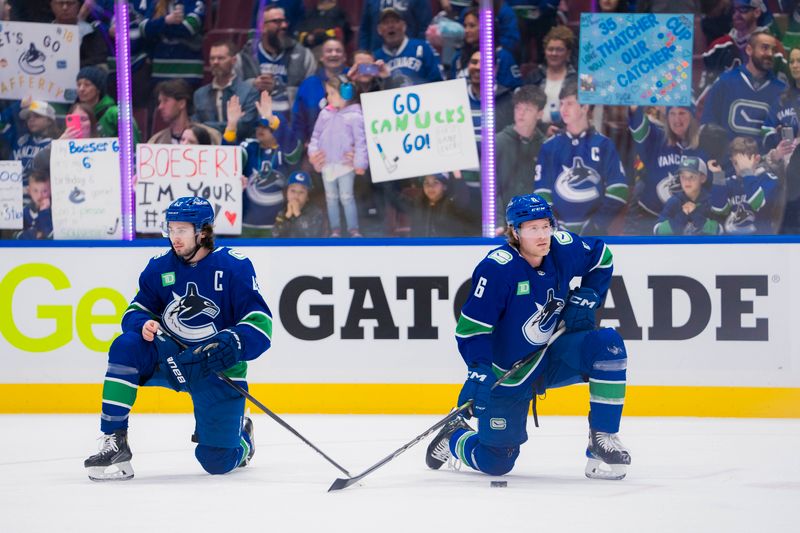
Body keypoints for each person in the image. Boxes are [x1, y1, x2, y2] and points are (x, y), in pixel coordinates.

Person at [425, 193, 631, 480]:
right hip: (508, 373)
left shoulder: (563, 248)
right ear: (515, 231)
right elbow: (472, 329)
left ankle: (602, 439)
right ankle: (454, 437)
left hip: (550, 354)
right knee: (496, 463)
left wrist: (591, 294)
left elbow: (602, 256)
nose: (543, 235)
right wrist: (479, 369)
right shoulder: (497, 269)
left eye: (546, 225)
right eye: (532, 228)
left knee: (607, 346)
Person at [83, 196, 273, 481]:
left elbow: (261, 324)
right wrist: (142, 323)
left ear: (203, 232)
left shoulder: (235, 267)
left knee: (217, 462)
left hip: (217, 370)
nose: (174, 237)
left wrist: (233, 341)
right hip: (172, 358)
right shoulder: (160, 267)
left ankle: (242, 438)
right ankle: (115, 440)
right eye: (171, 229)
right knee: (126, 345)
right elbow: (134, 311)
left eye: (182, 230)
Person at [534, 81, 629, 235]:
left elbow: (619, 190)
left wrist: (597, 224)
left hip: (596, 235)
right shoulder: (549, 147)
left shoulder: (604, 145)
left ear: (584, 108)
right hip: (557, 236)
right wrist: (554, 225)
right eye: (562, 103)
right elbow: (541, 192)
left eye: (570, 103)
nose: (563, 109)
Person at [626, 104, 706, 235]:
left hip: (688, 221)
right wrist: (635, 106)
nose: (676, 119)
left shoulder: (705, 145)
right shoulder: (656, 138)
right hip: (647, 217)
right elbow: (637, 122)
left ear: (692, 116)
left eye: (682, 113)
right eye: (672, 114)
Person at [700, 31, 786, 149]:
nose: (770, 53)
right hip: (727, 163)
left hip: (767, 163)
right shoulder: (725, 83)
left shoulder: (781, 90)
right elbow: (708, 125)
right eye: (765, 48)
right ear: (749, 50)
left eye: (773, 50)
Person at [308, 76, 368, 238]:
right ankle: (335, 229)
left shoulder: (355, 116)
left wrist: (360, 163)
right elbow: (315, 137)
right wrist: (313, 153)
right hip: (328, 164)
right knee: (331, 198)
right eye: (328, 93)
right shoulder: (324, 114)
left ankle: (353, 229)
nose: (328, 97)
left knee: (347, 196)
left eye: (332, 93)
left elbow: (360, 141)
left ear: (346, 93)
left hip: (345, 165)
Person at [236, 5, 318, 114]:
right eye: (277, 22)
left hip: (290, 124)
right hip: (253, 124)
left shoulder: (304, 56)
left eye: (284, 21)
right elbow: (233, 92)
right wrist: (253, 84)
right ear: (262, 27)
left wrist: (279, 86)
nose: (284, 26)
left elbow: (312, 93)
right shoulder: (244, 57)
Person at [496, 85, 547, 234]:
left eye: (528, 109)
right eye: (518, 108)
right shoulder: (497, 143)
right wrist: (498, 221)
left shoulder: (546, 146)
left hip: (535, 226)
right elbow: (490, 189)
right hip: (504, 227)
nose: (521, 114)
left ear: (540, 114)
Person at [711, 136, 781, 234]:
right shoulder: (729, 182)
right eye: (735, 163)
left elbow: (759, 204)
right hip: (732, 243)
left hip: (761, 243)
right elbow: (719, 209)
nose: (739, 167)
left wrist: (747, 173)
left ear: (756, 159)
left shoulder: (769, 180)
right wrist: (718, 176)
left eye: (743, 162)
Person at [193, 41, 259, 141]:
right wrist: (231, 123)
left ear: (233, 60)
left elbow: (245, 127)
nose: (215, 62)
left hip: (240, 149)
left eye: (220, 58)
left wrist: (206, 126)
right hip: (209, 150)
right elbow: (196, 127)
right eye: (212, 58)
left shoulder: (249, 92)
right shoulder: (199, 94)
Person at [522, 25, 577, 136]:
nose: (554, 53)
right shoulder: (533, 77)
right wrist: (544, 128)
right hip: (537, 135)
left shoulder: (578, 78)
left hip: (569, 135)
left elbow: (586, 110)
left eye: (559, 50)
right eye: (550, 49)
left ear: (568, 53)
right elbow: (524, 109)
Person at [140, 0, 206, 89]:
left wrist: (157, 27)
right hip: (160, 74)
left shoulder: (194, 2)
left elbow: (188, 28)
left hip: (188, 74)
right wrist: (166, 20)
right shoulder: (156, 3)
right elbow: (143, 29)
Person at [372, 7, 444, 87]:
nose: (391, 26)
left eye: (395, 21)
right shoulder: (375, 57)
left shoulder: (422, 47)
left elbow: (437, 80)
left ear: (404, 26)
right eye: (386, 22)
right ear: (379, 30)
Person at [654, 155, 721, 235]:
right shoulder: (674, 201)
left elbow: (719, 230)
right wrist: (683, 215)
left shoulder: (710, 201)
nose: (687, 181)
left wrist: (694, 214)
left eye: (692, 176)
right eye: (683, 176)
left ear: (702, 178)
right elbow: (657, 230)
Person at [76, 66, 142, 142]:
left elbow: (133, 143)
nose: (81, 89)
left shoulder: (116, 113)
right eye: (78, 84)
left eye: (87, 84)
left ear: (98, 89)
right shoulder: (76, 113)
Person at [149, 79, 220, 144]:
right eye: (160, 102)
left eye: (166, 101)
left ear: (181, 103)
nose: (160, 107)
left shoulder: (211, 136)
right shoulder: (156, 141)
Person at [358, 0, 432, 52]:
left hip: (409, 55)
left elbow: (424, 27)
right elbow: (365, 29)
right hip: (377, 55)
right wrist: (363, 52)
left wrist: (419, 51)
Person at [272, 171, 327, 238]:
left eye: (301, 192)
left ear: (307, 197)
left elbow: (311, 234)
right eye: (293, 191)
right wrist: (287, 217)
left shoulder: (315, 212)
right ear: (287, 194)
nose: (296, 195)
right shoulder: (282, 213)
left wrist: (298, 214)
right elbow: (275, 234)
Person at [16, 171, 53, 240]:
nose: (40, 195)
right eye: (35, 191)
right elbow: (17, 235)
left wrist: (44, 212)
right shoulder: (25, 211)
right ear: (29, 191)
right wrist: (33, 234)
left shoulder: (54, 212)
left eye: (44, 191)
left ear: (51, 191)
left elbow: (50, 234)